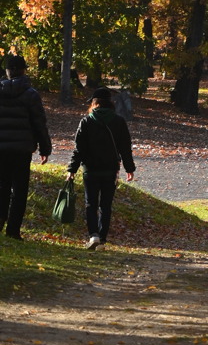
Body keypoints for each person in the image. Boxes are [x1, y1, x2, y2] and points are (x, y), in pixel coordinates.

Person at [67, 86, 136, 249]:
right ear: (110, 103)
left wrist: (72, 169)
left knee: (90, 204)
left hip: (90, 170)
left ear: (94, 103)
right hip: (110, 170)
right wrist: (129, 168)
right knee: (105, 205)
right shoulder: (119, 121)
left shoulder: (87, 121)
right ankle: (103, 238)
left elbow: (79, 149)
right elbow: (125, 147)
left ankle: (94, 235)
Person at [0, 55, 51, 241]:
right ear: (23, 70)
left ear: (7, 71)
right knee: (20, 190)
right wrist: (45, 148)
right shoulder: (31, 94)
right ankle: (13, 230)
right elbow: (39, 123)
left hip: (1, 149)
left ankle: (0, 220)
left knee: (2, 187)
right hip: (22, 149)